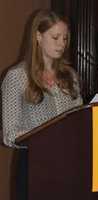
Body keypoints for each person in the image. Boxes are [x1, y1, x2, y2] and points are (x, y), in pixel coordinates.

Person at [1, 10, 83, 147]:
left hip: (69, 156)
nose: (62, 44)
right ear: (38, 36)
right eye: (55, 37)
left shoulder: (70, 75)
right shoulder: (17, 76)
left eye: (65, 38)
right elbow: (10, 134)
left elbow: (79, 120)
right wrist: (45, 136)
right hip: (35, 159)